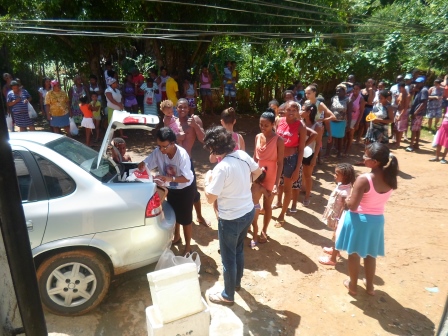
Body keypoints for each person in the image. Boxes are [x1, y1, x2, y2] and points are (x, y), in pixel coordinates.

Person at [204, 126, 262, 306]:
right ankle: (236, 284)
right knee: (238, 250)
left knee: (228, 257)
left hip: (230, 219)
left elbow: (210, 198)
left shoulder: (222, 168)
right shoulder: (242, 155)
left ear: (215, 148)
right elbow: (258, 171)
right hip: (247, 212)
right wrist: (244, 184)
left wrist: (207, 180)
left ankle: (228, 295)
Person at [336, 143, 398, 296]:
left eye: (366, 156)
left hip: (359, 221)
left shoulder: (364, 179)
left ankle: (353, 286)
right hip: (376, 221)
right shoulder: (390, 177)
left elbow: (352, 205)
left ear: (375, 162)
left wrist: (346, 200)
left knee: (354, 254)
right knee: (371, 255)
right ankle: (370, 287)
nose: (363, 158)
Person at [140, 127, 195, 256]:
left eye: (164, 146)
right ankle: (177, 236)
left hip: (185, 188)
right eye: (159, 146)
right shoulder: (158, 152)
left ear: (173, 143)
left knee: (186, 219)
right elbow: (147, 163)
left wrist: (169, 178)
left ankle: (188, 246)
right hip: (170, 188)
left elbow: (187, 178)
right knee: (174, 213)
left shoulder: (182, 155)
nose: (161, 150)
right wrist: (142, 165)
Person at [251, 111, 284, 246]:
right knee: (253, 203)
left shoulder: (279, 140)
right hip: (258, 173)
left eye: (266, 125)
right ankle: (254, 229)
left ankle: (264, 230)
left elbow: (280, 162)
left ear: (273, 124)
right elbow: (254, 157)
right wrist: (251, 174)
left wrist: (277, 182)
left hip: (271, 174)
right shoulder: (258, 136)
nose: (263, 127)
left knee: (267, 204)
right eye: (261, 124)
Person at [274, 100, 306, 227]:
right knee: (277, 185)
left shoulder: (300, 126)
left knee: (288, 188)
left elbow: (302, 148)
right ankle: (278, 203)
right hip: (277, 159)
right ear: (284, 110)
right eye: (289, 109)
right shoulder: (279, 121)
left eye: (294, 110)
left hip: (291, 159)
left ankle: (282, 215)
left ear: (297, 112)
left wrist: (297, 168)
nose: (291, 112)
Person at [319, 163, 356, 266]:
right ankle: (336, 251)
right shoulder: (341, 185)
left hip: (339, 217)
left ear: (345, 176)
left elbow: (344, 207)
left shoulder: (346, 192)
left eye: (337, 174)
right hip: (336, 215)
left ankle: (333, 259)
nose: (334, 175)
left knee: (337, 236)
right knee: (335, 234)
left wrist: (339, 220)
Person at [299, 103, 321, 206]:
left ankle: (307, 196)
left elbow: (318, 144)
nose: (300, 111)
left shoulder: (317, 126)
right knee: (300, 173)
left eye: (302, 110)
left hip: (309, 154)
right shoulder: (299, 123)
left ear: (308, 112)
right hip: (298, 152)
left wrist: (314, 158)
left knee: (308, 175)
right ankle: (302, 189)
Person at [326, 84, 351, 158]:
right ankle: (327, 153)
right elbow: (329, 110)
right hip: (332, 121)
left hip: (341, 122)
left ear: (344, 91)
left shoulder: (348, 100)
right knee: (330, 137)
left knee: (340, 138)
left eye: (339, 91)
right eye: (336, 91)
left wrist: (349, 124)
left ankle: (339, 153)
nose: (337, 92)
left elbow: (349, 113)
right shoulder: (333, 98)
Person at [406, 76, 428, 152]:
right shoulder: (420, 90)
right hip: (417, 112)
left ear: (422, 83)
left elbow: (424, 103)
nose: (417, 84)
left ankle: (411, 145)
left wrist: (416, 112)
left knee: (414, 129)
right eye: (416, 83)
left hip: (418, 113)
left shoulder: (424, 90)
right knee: (417, 129)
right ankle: (416, 144)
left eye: (418, 83)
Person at [344, 83, 365, 155]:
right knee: (345, 134)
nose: (355, 90)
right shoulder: (348, 96)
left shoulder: (361, 99)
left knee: (350, 134)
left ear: (360, 90)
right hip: (346, 118)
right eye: (354, 88)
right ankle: (344, 147)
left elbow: (361, 112)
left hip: (354, 119)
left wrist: (357, 123)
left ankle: (347, 149)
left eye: (357, 89)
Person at [393, 82, 409, 148]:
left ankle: (398, 143)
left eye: (400, 88)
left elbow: (406, 107)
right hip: (398, 111)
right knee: (396, 128)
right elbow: (397, 102)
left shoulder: (407, 95)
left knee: (400, 129)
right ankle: (396, 141)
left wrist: (400, 115)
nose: (399, 89)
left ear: (403, 87)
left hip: (403, 113)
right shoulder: (400, 93)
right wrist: (396, 97)